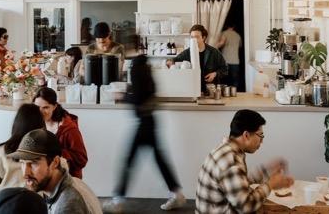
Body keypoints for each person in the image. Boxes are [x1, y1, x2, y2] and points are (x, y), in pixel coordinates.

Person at [104, 55, 186, 212]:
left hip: (144, 124)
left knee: (129, 161)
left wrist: (121, 96)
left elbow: (137, 98)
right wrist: (128, 91)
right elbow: (142, 94)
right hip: (150, 121)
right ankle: (177, 194)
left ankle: (118, 201)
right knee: (160, 160)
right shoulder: (148, 72)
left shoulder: (136, 70)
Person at [195, 109, 294, 213]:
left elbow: (239, 184)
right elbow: (246, 207)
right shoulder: (231, 161)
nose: (262, 141)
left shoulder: (226, 150)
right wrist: (270, 185)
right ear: (246, 135)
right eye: (260, 135)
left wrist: (266, 169)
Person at [12, 129, 102, 214]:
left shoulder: (68, 205)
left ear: (55, 162)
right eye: (22, 163)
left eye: (33, 163)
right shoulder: (74, 182)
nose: (25, 173)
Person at [0, 103, 46, 212]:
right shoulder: (47, 156)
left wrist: (2, 204)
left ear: (16, 125)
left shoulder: (0, 153)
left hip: (4, 208)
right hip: (37, 209)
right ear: (41, 127)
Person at [33, 87, 88, 179]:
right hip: (47, 178)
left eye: (45, 107)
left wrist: (56, 152)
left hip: (68, 180)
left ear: (54, 106)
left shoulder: (70, 129)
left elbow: (82, 159)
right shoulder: (36, 122)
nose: (41, 112)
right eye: (37, 107)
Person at [167, 24, 227, 95]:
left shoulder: (214, 52)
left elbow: (224, 69)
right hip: (192, 89)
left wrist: (215, 74)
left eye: (197, 37)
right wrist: (169, 62)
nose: (194, 40)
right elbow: (173, 60)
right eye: (192, 37)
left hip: (209, 90)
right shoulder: (187, 52)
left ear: (203, 38)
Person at [216, 23, 242, 88]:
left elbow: (221, 43)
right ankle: (235, 93)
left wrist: (213, 46)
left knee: (224, 79)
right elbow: (240, 46)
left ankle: (225, 93)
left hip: (225, 59)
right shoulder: (238, 35)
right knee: (235, 79)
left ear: (226, 26)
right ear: (234, 27)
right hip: (235, 60)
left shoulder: (224, 33)